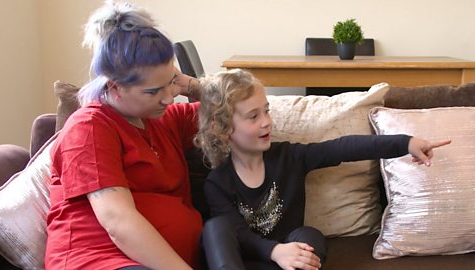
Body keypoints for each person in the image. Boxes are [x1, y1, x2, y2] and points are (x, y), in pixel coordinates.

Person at [195, 69, 451, 270]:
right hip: (241, 262)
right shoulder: (218, 183)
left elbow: (343, 148)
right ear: (223, 128)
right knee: (215, 228)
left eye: (266, 111)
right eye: (253, 116)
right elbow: (237, 234)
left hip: (291, 261)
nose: (266, 122)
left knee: (309, 234)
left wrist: (405, 143)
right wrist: (274, 251)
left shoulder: (289, 157)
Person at [45, 2, 203, 269]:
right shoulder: (90, 127)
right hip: (97, 259)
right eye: (153, 91)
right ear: (114, 87)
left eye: (170, 84)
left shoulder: (164, 119)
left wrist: (190, 84)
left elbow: (236, 107)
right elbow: (118, 222)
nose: (168, 98)